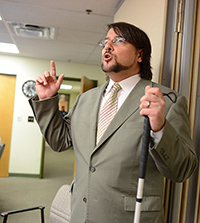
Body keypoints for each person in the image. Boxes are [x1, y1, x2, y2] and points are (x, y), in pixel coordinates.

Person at [29, 22, 197, 223]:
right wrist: (48, 101)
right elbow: (59, 141)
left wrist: (160, 128)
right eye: (105, 42)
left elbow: (183, 170)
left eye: (118, 41)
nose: (108, 47)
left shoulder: (166, 101)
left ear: (139, 55)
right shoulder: (85, 99)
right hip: (81, 214)